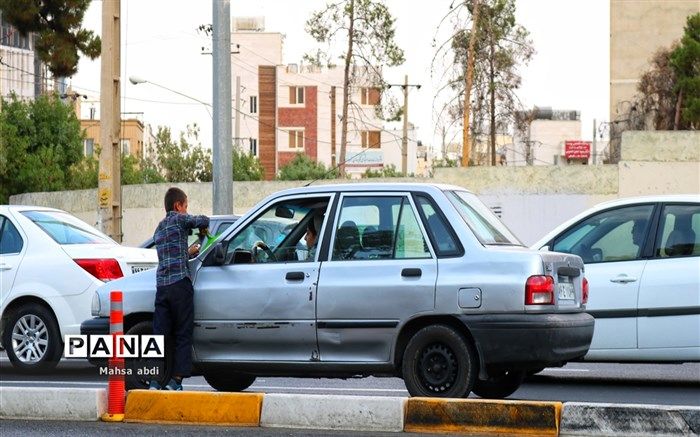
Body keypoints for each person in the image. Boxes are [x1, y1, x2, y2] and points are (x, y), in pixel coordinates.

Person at [150, 187, 209, 391]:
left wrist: (188, 251)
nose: (186, 210)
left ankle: (154, 381)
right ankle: (175, 381)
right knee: (183, 333)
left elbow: (170, 253)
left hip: (162, 288)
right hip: (179, 286)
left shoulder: (159, 228)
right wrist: (202, 231)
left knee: (160, 336)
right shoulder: (179, 219)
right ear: (178, 205)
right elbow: (203, 220)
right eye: (186, 206)